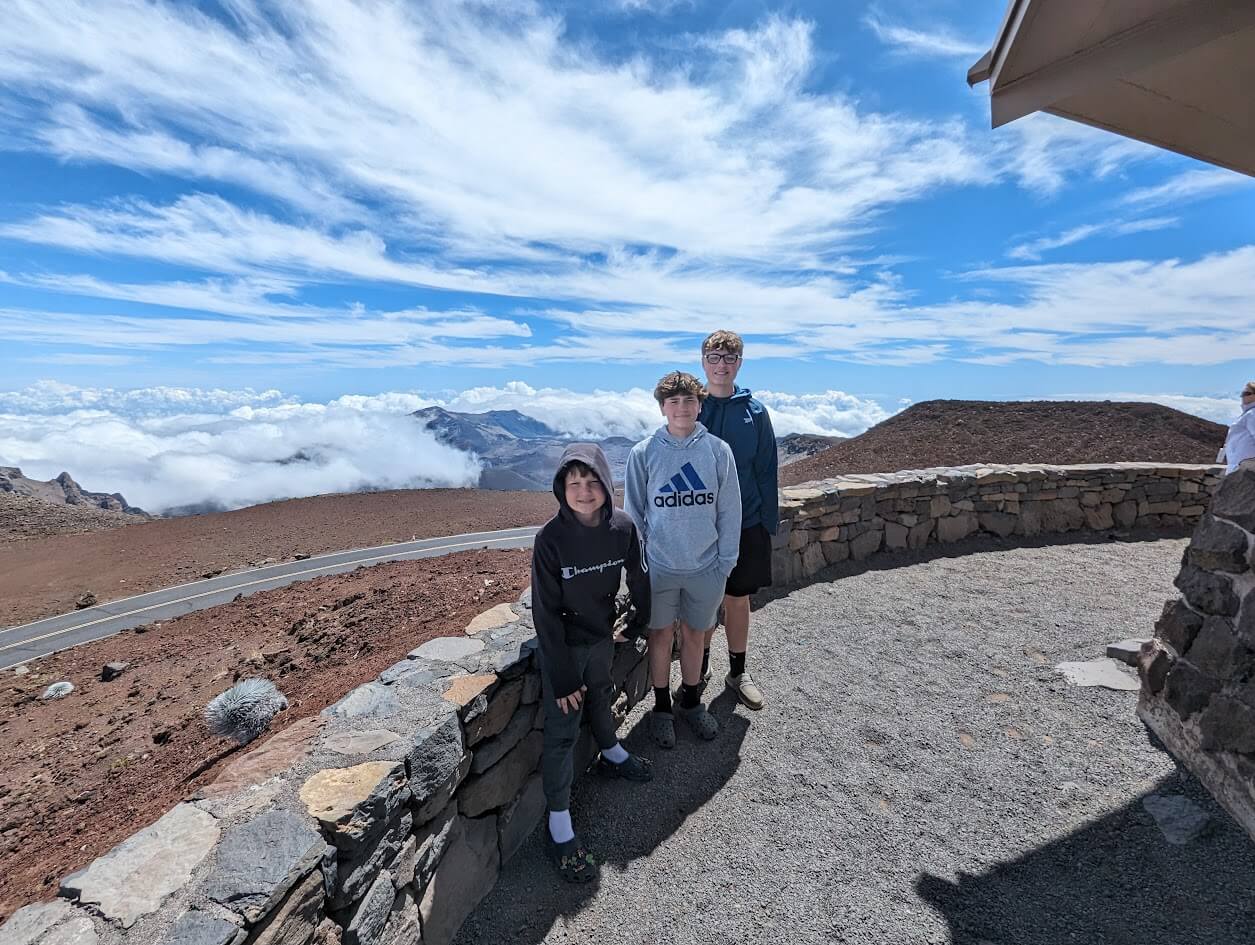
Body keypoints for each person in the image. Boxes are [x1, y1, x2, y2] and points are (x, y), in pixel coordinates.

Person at [531, 443, 654, 883]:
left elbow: (639, 575)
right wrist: (562, 677)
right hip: (563, 648)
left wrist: (640, 620)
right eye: (573, 483)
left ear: (605, 484)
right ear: (561, 489)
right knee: (563, 733)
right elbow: (544, 612)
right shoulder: (550, 540)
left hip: (602, 636)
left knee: (602, 695)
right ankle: (559, 828)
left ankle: (611, 752)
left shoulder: (622, 526)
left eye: (592, 482)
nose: (583, 491)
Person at [625, 371, 741, 749]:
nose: (681, 408)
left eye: (689, 400)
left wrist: (725, 563)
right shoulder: (643, 454)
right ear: (662, 407)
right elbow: (634, 515)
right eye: (673, 401)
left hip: (706, 567)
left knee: (695, 635)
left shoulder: (718, 451)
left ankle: (691, 701)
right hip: (660, 567)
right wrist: (642, 566)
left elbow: (729, 511)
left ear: (700, 405)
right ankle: (661, 707)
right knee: (660, 635)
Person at [696, 329, 778, 710]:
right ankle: (701, 670)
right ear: (704, 362)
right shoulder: (693, 407)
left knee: (737, 597)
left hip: (745, 522)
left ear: (739, 363)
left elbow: (766, 468)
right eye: (715, 357)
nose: (721, 365)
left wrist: (768, 522)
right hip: (700, 523)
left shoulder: (755, 412)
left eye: (729, 358)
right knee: (704, 600)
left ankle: (738, 672)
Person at [1219, 381, 1255, 473]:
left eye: (1246, 393)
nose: (1242, 396)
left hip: (1244, 468)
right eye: (1242, 393)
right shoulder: (1248, 413)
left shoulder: (1252, 414)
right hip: (1239, 465)